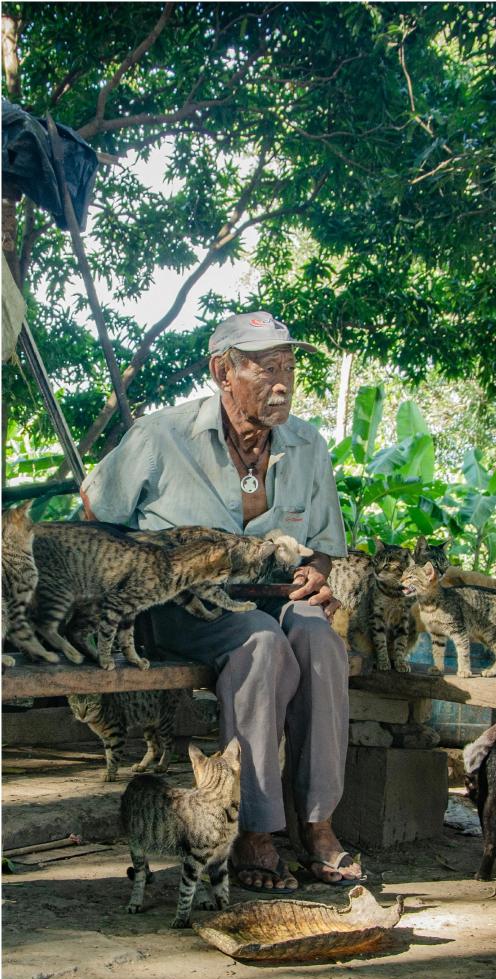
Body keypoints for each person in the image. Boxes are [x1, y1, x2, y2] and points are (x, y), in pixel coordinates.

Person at [81, 311, 363, 892]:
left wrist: (315, 574)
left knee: (317, 640)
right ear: (222, 372)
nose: (281, 380)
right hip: (178, 608)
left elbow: (324, 548)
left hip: (272, 594)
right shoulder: (162, 436)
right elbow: (94, 513)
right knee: (260, 645)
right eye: (265, 368)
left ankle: (317, 825)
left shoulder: (308, 444)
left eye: (287, 365)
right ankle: (254, 832)